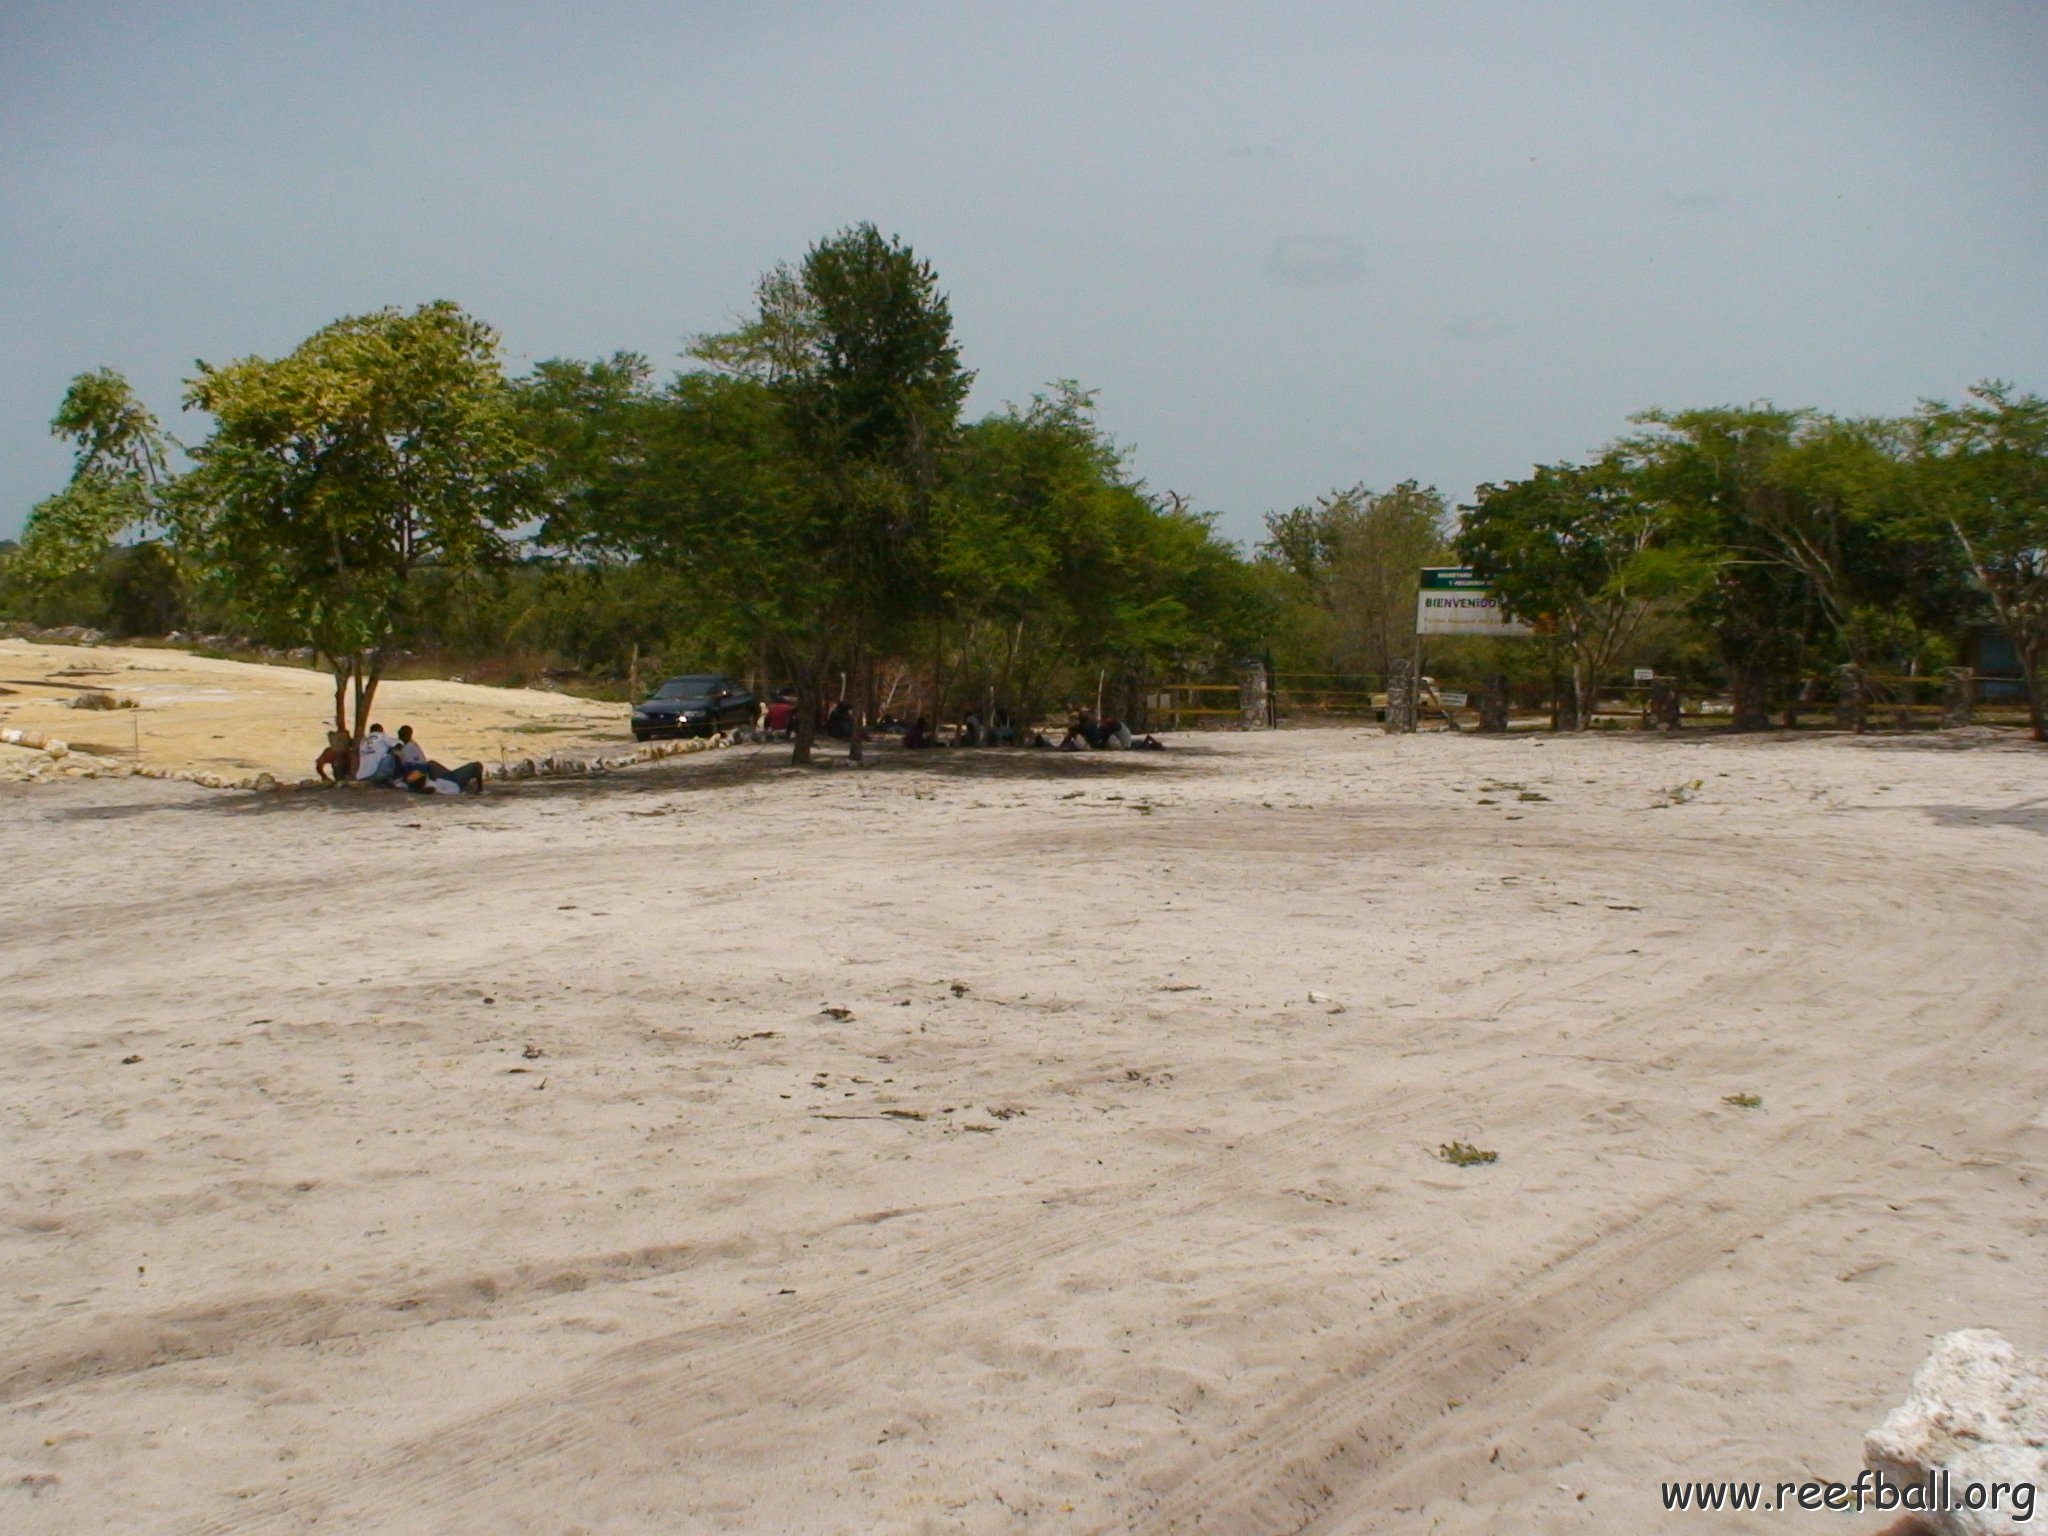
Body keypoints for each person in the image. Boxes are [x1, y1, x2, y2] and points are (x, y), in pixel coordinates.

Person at [400, 760, 484, 795]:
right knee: (477, 765)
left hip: (446, 778)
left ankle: (474, 783)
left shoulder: (427, 781)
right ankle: (479, 788)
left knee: (431, 763)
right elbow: (430, 790)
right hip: (455, 783)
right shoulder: (429, 786)